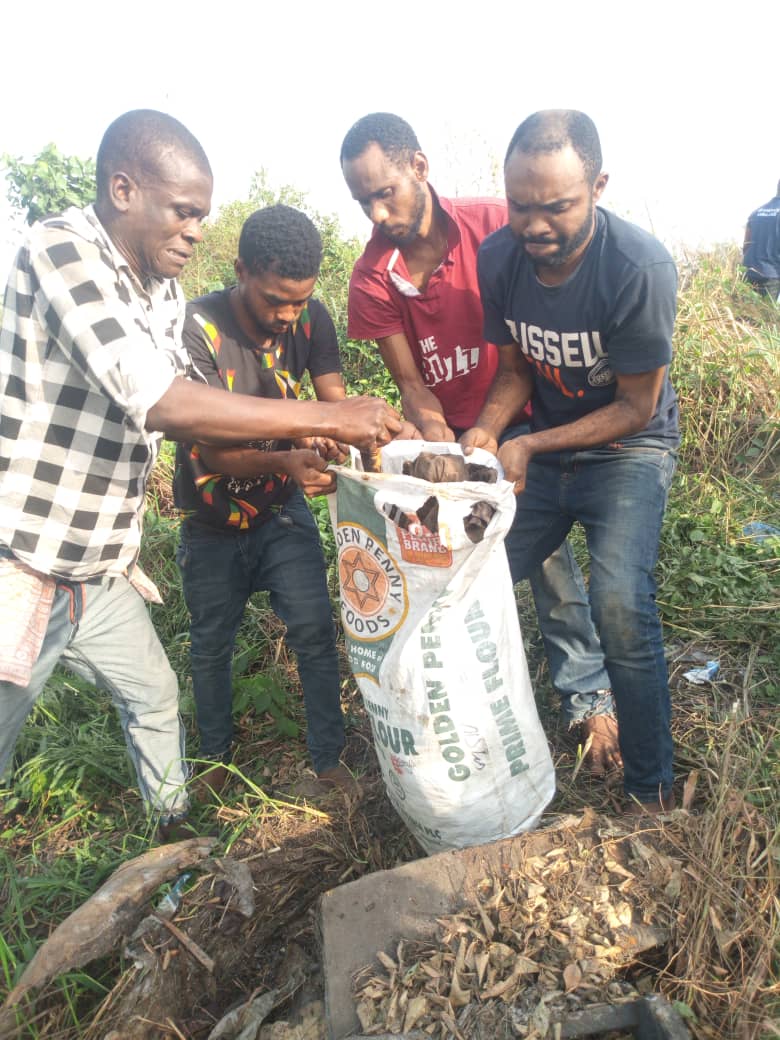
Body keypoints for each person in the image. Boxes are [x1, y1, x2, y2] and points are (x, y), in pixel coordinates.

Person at [0, 109, 400, 837]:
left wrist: (327, 441)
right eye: (183, 211)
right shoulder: (60, 250)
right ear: (123, 189)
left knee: (155, 696)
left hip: (98, 564)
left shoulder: (158, 292)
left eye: (201, 217)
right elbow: (163, 403)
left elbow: (191, 418)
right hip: (25, 558)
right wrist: (326, 418)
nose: (194, 231)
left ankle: (175, 833)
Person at [340, 112, 620, 773]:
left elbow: (538, 330)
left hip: (520, 413)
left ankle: (588, 697)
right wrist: (443, 443)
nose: (378, 213)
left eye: (386, 192)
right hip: (453, 438)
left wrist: (494, 435)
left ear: (419, 168)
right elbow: (413, 385)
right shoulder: (372, 278)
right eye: (362, 200)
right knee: (454, 567)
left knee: (549, 566)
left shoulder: (494, 224)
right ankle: (460, 702)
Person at [463, 110, 679, 813]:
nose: (534, 226)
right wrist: (487, 429)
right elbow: (516, 370)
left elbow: (636, 407)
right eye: (519, 205)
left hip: (628, 450)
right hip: (551, 449)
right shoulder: (499, 259)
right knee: (471, 580)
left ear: (598, 187)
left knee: (619, 602)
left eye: (555, 207)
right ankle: (475, 761)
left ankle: (651, 789)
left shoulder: (638, 268)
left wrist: (528, 443)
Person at [174, 204, 354, 796]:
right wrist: (288, 457)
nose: (288, 316)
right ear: (241, 271)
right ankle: (215, 762)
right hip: (210, 521)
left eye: (300, 301)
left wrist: (332, 437)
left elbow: (332, 403)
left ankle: (329, 760)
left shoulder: (310, 319)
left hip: (281, 512)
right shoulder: (197, 327)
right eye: (277, 300)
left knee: (314, 630)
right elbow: (213, 450)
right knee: (211, 645)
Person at [743, 181, 780, 301]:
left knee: (745, 311)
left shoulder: (755, 213)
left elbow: (746, 246)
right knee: (765, 312)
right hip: (771, 277)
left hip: (749, 273)